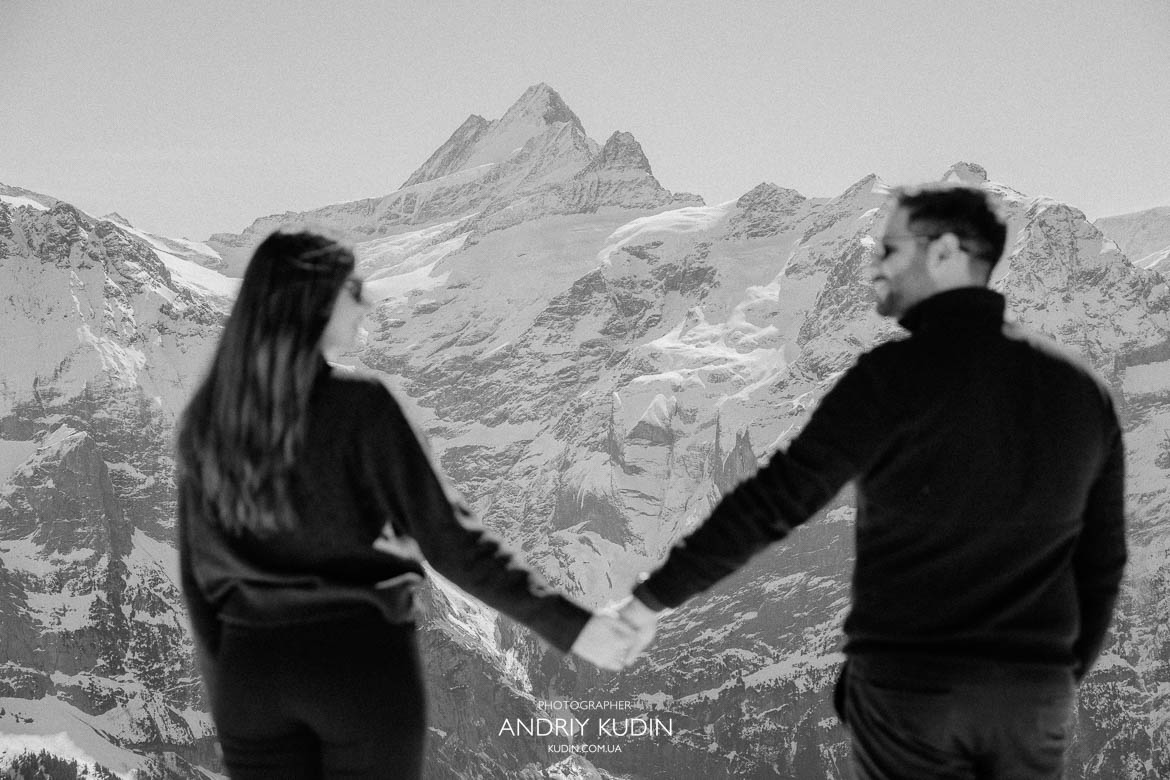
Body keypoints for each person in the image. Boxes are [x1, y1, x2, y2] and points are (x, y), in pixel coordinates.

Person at [616, 185, 1127, 779]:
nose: (874, 263)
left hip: (911, 688)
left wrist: (655, 597)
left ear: (944, 254)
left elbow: (776, 499)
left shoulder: (891, 378)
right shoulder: (1083, 392)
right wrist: (1055, 679)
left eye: (889, 247)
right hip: (1032, 700)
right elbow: (1103, 562)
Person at [176, 231, 635, 779]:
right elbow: (452, 542)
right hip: (359, 669)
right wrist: (574, 626)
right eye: (354, 287)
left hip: (251, 680)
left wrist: (233, 685)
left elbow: (198, 579)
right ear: (315, 300)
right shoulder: (359, 406)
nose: (365, 301)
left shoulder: (209, 418)